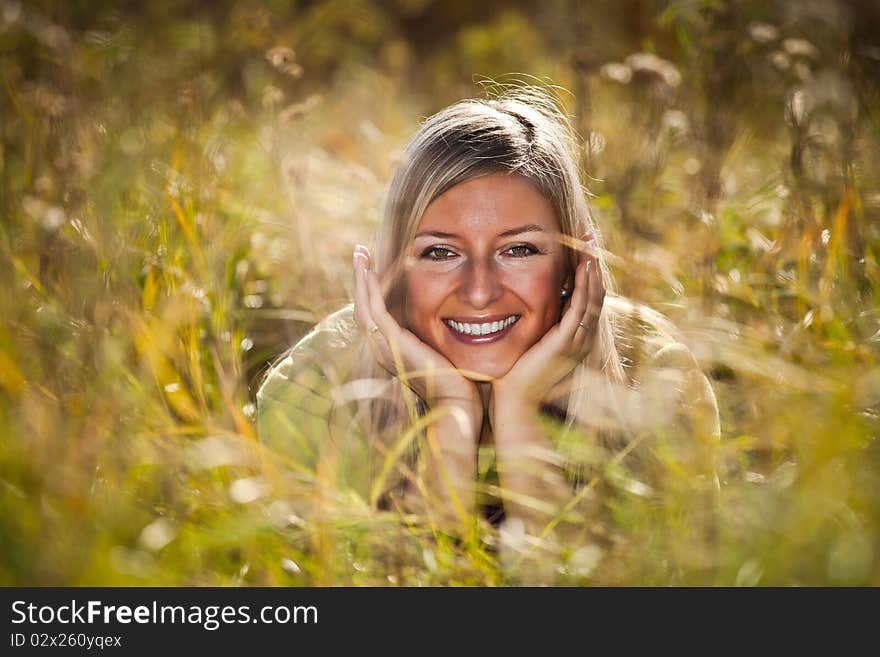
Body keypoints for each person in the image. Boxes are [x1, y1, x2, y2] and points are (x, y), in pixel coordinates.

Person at [256, 85, 720, 566]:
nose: (479, 291)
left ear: (572, 265)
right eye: (440, 252)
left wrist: (519, 415)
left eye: (518, 249)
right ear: (395, 269)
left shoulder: (654, 375)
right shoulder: (313, 392)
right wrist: (450, 412)